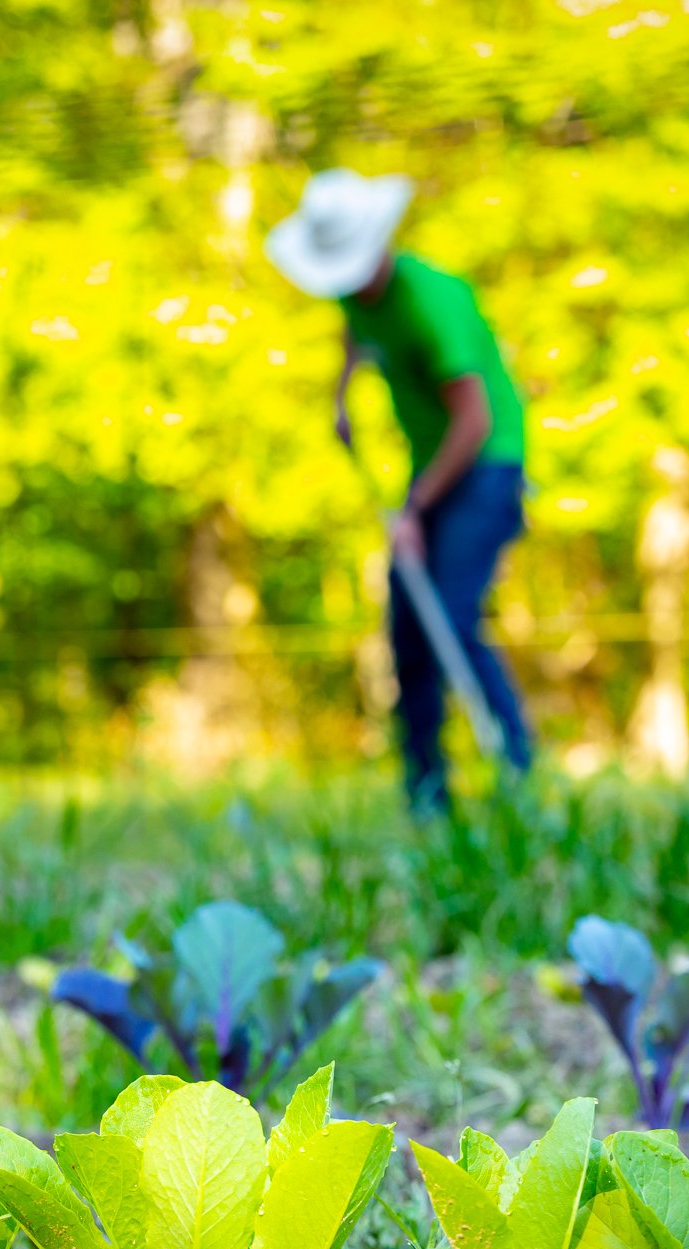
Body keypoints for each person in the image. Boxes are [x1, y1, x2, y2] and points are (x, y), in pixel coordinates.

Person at [266, 169, 534, 812]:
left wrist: (416, 508)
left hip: (486, 463)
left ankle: (517, 770)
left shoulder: (432, 304)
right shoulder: (357, 294)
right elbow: (356, 334)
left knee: (452, 614)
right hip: (432, 467)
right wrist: (341, 397)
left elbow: (476, 422)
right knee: (408, 629)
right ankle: (426, 792)